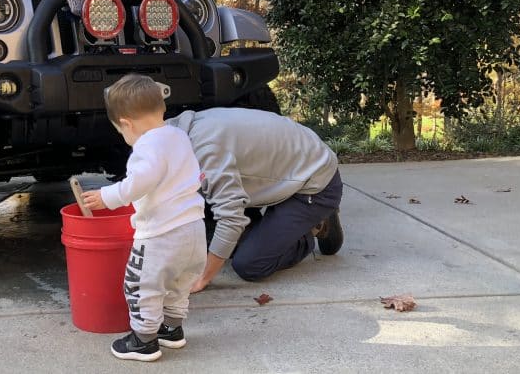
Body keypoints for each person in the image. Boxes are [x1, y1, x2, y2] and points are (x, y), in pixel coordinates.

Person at [82, 74, 206, 362]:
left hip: (161, 234)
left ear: (126, 124)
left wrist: (108, 196)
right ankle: (172, 330)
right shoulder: (178, 135)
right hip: (194, 229)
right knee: (178, 283)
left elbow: (141, 181)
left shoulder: (146, 146)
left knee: (141, 286)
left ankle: (144, 340)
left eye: (120, 131)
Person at [165, 107, 344, 293]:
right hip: (289, 170)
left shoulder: (205, 152)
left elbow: (230, 219)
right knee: (217, 238)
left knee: (250, 264)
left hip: (315, 184)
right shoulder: (173, 131)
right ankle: (274, 230)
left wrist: (203, 278)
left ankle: (315, 227)